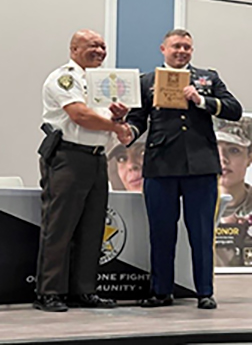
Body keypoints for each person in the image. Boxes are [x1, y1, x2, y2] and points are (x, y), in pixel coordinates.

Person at [123, 29, 242, 309]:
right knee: (161, 232)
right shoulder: (146, 82)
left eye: (187, 47)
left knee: (201, 232)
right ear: (163, 48)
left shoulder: (207, 78)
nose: (182, 51)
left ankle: (204, 292)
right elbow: (138, 120)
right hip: (160, 165)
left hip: (200, 165)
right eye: (176, 46)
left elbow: (234, 109)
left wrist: (202, 101)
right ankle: (161, 291)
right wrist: (128, 132)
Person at [34, 29, 130, 312]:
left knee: (92, 229)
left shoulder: (102, 82)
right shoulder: (64, 78)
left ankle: (84, 291)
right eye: (93, 46)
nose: (100, 51)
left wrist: (118, 117)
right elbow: (79, 115)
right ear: (74, 49)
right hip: (68, 157)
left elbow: (101, 116)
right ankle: (48, 292)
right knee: (59, 227)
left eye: (103, 46)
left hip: (97, 158)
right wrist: (116, 127)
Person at [214, 117, 252, 266]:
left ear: (249, 158)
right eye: (214, 150)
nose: (222, 159)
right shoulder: (186, 208)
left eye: (233, 150)